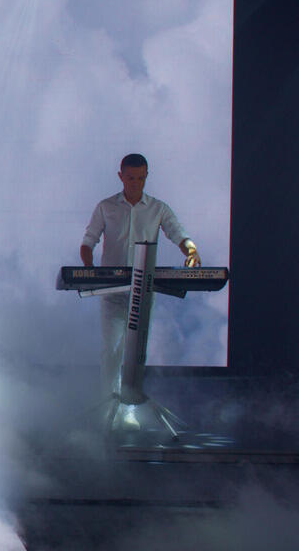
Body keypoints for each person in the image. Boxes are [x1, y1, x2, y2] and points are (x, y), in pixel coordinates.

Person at [80, 154, 200, 429]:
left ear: (146, 177)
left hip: (142, 291)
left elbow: (178, 234)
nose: (136, 183)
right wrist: (88, 268)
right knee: (111, 348)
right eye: (131, 178)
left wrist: (191, 251)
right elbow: (88, 241)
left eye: (141, 178)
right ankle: (109, 408)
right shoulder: (106, 207)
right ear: (121, 176)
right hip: (112, 289)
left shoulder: (158, 208)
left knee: (135, 351)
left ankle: (129, 407)